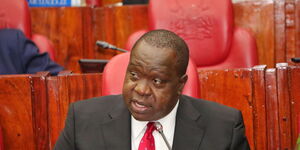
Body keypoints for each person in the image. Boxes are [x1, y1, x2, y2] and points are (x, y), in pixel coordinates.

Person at [54, 29, 250, 150]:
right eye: (134, 75)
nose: (140, 89)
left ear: (180, 84)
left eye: (157, 81)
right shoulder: (82, 120)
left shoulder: (224, 128)